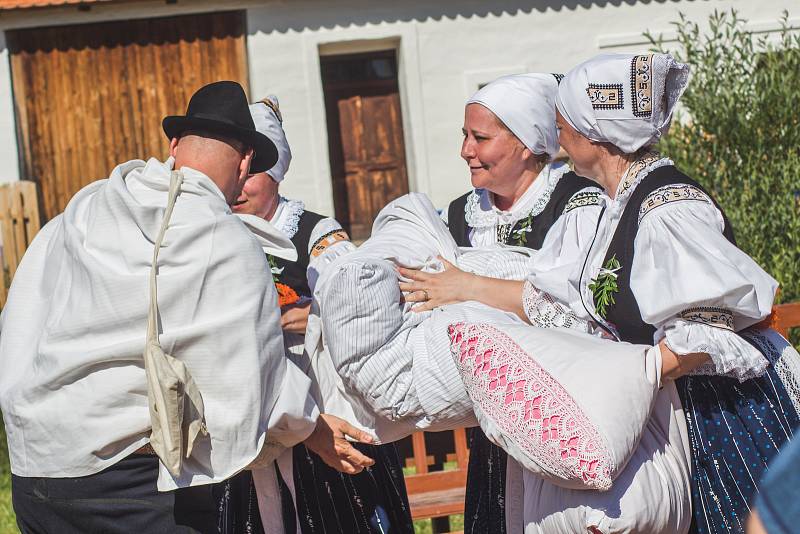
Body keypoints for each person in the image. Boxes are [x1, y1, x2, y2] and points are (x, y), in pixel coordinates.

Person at [405, 53, 800, 533]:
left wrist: (629, 375)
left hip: (714, 413)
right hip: (664, 404)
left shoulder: (667, 207)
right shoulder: (615, 205)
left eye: (564, 126)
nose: (559, 139)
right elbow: (560, 305)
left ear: (596, 133)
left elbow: (707, 329)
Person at [0, 81, 372, 534]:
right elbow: (252, 377)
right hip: (127, 484)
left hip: (38, 471)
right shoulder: (223, 237)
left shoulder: (86, 208)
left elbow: (21, 319)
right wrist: (312, 428)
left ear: (174, 144)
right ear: (246, 160)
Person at [216, 96, 414, 534]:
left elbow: (355, 305)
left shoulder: (316, 233)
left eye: (255, 176)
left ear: (278, 173)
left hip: (320, 414)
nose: (242, 186)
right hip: (255, 421)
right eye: (237, 174)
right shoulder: (215, 232)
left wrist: (312, 316)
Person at [434, 73, 603, 533]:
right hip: (495, 427)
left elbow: (575, 311)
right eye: (464, 136)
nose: (465, 150)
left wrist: (466, 285)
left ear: (527, 144)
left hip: (565, 414)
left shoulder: (576, 204)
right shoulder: (457, 216)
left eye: (480, 137)